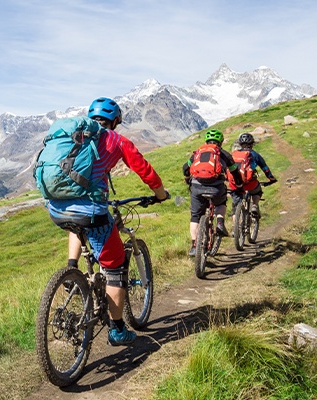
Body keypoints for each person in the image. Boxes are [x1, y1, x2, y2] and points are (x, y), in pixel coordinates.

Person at [47, 97, 169, 346]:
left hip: (56, 208)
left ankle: (72, 271)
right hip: (90, 210)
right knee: (115, 266)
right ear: (114, 121)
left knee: (77, 224)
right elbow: (144, 169)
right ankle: (117, 329)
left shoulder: (75, 135)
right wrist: (160, 195)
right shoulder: (116, 140)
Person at [182, 129, 243, 257]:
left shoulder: (197, 153)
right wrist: (238, 184)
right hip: (216, 188)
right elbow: (234, 171)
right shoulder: (224, 154)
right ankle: (220, 222)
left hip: (197, 187)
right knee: (221, 203)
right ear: (220, 142)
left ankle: (194, 246)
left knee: (195, 216)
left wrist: (188, 179)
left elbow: (185, 168)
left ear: (206, 141)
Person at [227, 133, 278, 217]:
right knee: (257, 191)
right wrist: (271, 179)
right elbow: (265, 168)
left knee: (235, 206)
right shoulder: (254, 154)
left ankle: (235, 226)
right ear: (252, 144)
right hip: (249, 183)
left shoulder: (234, 154)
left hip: (235, 184)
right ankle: (254, 205)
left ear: (240, 144)